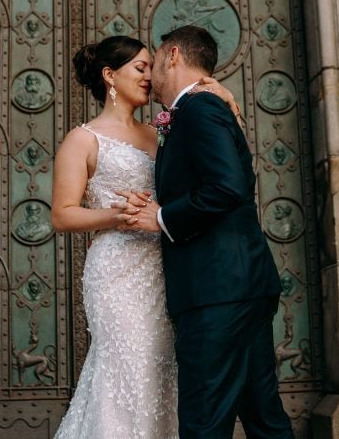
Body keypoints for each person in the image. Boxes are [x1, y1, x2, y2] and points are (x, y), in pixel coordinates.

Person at [51, 35, 238, 439]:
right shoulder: (83, 139)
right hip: (117, 271)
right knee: (124, 369)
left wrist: (218, 92)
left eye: (150, 67)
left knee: (163, 373)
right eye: (139, 68)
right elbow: (62, 215)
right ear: (109, 75)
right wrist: (115, 215)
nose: (149, 77)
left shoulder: (161, 133)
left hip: (166, 265)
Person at [119, 25, 293, 438]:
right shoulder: (205, 107)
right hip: (242, 285)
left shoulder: (198, 109)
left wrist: (162, 218)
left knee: (203, 422)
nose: (152, 72)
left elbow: (228, 186)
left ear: (173, 55)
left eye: (156, 59)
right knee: (264, 418)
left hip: (216, 293)